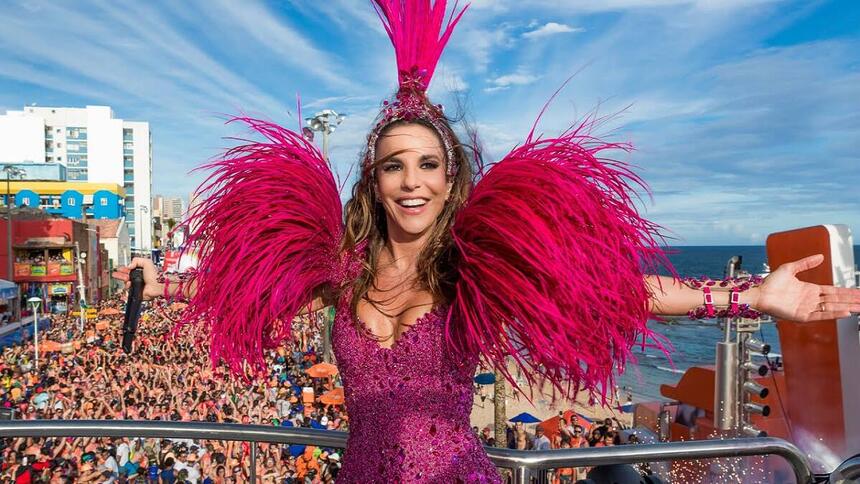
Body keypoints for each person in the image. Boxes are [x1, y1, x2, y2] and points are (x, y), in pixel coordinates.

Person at [113, 0, 860, 482]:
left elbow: (619, 293)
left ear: (451, 177)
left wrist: (749, 297)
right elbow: (231, 283)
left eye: (428, 165)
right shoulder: (338, 274)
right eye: (393, 166)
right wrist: (155, 275)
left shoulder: (477, 271)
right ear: (372, 180)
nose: (411, 181)